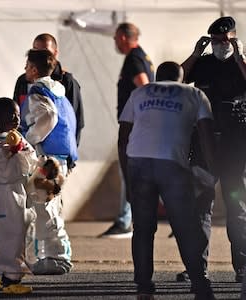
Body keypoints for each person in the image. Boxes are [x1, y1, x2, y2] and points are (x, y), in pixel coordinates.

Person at [119, 61, 216, 300]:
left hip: (138, 160)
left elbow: (123, 137)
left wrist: (127, 179)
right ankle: (200, 284)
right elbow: (206, 135)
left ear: (156, 77)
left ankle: (144, 287)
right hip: (172, 162)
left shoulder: (139, 92)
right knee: (185, 226)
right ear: (181, 78)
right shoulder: (194, 94)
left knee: (142, 228)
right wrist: (211, 172)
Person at [182, 16, 246, 283]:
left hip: (234, 146)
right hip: (205, 143)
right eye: (216, 41)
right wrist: (196, 54)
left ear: (234, 37)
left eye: (226, 39)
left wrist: (241, 55)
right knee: (199, 207)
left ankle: (242, 267)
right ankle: (197, 267)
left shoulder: (240, 63)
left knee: (237, 205)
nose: (221, 44)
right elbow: (179, 77)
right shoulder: (205, 63)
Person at [21, 49, 77, 275]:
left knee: (44, 208)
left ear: (34, 69)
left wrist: (28, 140)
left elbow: (48, 117)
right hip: (59, 157)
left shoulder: (38, 92)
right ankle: (53, 254)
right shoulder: (59, 92)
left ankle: (57, 256)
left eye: (27, 66)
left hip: (46, 157)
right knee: (50, 207)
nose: (25, 70)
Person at [99, 22, 154, 239]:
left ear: (123, 37)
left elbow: (144, 87)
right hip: (138, 124)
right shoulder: (142, 56)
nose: (114, 41)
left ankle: (125, 220)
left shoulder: (134, 59)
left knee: (129, 168)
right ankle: (127, 218)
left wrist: (140, 120)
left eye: (115, 37)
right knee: (132, 170)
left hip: (134, 125)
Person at [0, 97, 38, 294]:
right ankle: (11, 280)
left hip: (20, 195)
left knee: (17, 235)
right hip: (5, 198)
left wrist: (21, 152)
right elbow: (2, 173)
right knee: (11, 236)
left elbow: (31, 161)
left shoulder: (20, 139)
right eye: (11, 115)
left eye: (18, 115)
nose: (16, 118)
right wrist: (12, 153)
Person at [13, 33, 84, 149]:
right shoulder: (23, 80)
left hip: (52, 151)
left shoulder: (66, 81)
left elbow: (75, 119)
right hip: (28, 151)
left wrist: (70, 150)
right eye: (35, 50)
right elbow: (16, 114)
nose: (39, 55)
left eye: (44, 51)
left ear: (55, 53)